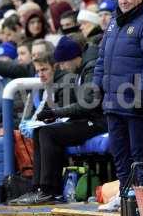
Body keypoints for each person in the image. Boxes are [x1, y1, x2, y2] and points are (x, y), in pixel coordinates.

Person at [93, 0, 143, 211]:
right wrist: (96, 87)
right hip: (113, 102)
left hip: (136, 102)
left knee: (140, 153)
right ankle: (125, 196)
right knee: (120, 153)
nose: (123, 1)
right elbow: (101, 59)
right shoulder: (114, 23)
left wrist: (142, 94)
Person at [12, 36, 106, 205]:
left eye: (63, 63)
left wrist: (55, 113)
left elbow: (88, 106)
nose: (61, 67)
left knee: (49, 133)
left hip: (98, 122)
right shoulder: (82, 70)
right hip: (87, 119)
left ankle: (49, 189)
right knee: (40, 131)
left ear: (71, 57)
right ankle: (38, 188)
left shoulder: (90, 69)